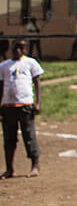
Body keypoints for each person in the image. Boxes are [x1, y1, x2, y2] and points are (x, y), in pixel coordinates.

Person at [1, 39, 43, 178]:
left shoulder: (30, 63)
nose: (18, 50)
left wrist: (38, 103)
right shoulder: (4, 66)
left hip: (25, 105)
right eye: (15, 47)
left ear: (25, 50)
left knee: (29, 136)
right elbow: (1, 87)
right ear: (11, 49)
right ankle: (9, 169)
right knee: (9, 139)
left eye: (21, 48)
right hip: (8, 106)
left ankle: (35, 166)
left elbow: (37, 83)